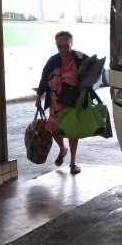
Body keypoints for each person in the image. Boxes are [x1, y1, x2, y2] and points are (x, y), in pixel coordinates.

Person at [35, 31, 88, 175]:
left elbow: (93, 68)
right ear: (56, 46)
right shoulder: (53, 61)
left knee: (72, 130)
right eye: (60, 47)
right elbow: (44, 78)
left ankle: (73, 163)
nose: (64, 50)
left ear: (72, 44)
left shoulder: (79, 58)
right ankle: (62, 149)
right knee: (53, 128)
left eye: (66, 46)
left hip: (73, 101)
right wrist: (39, 96)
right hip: (55, 100)